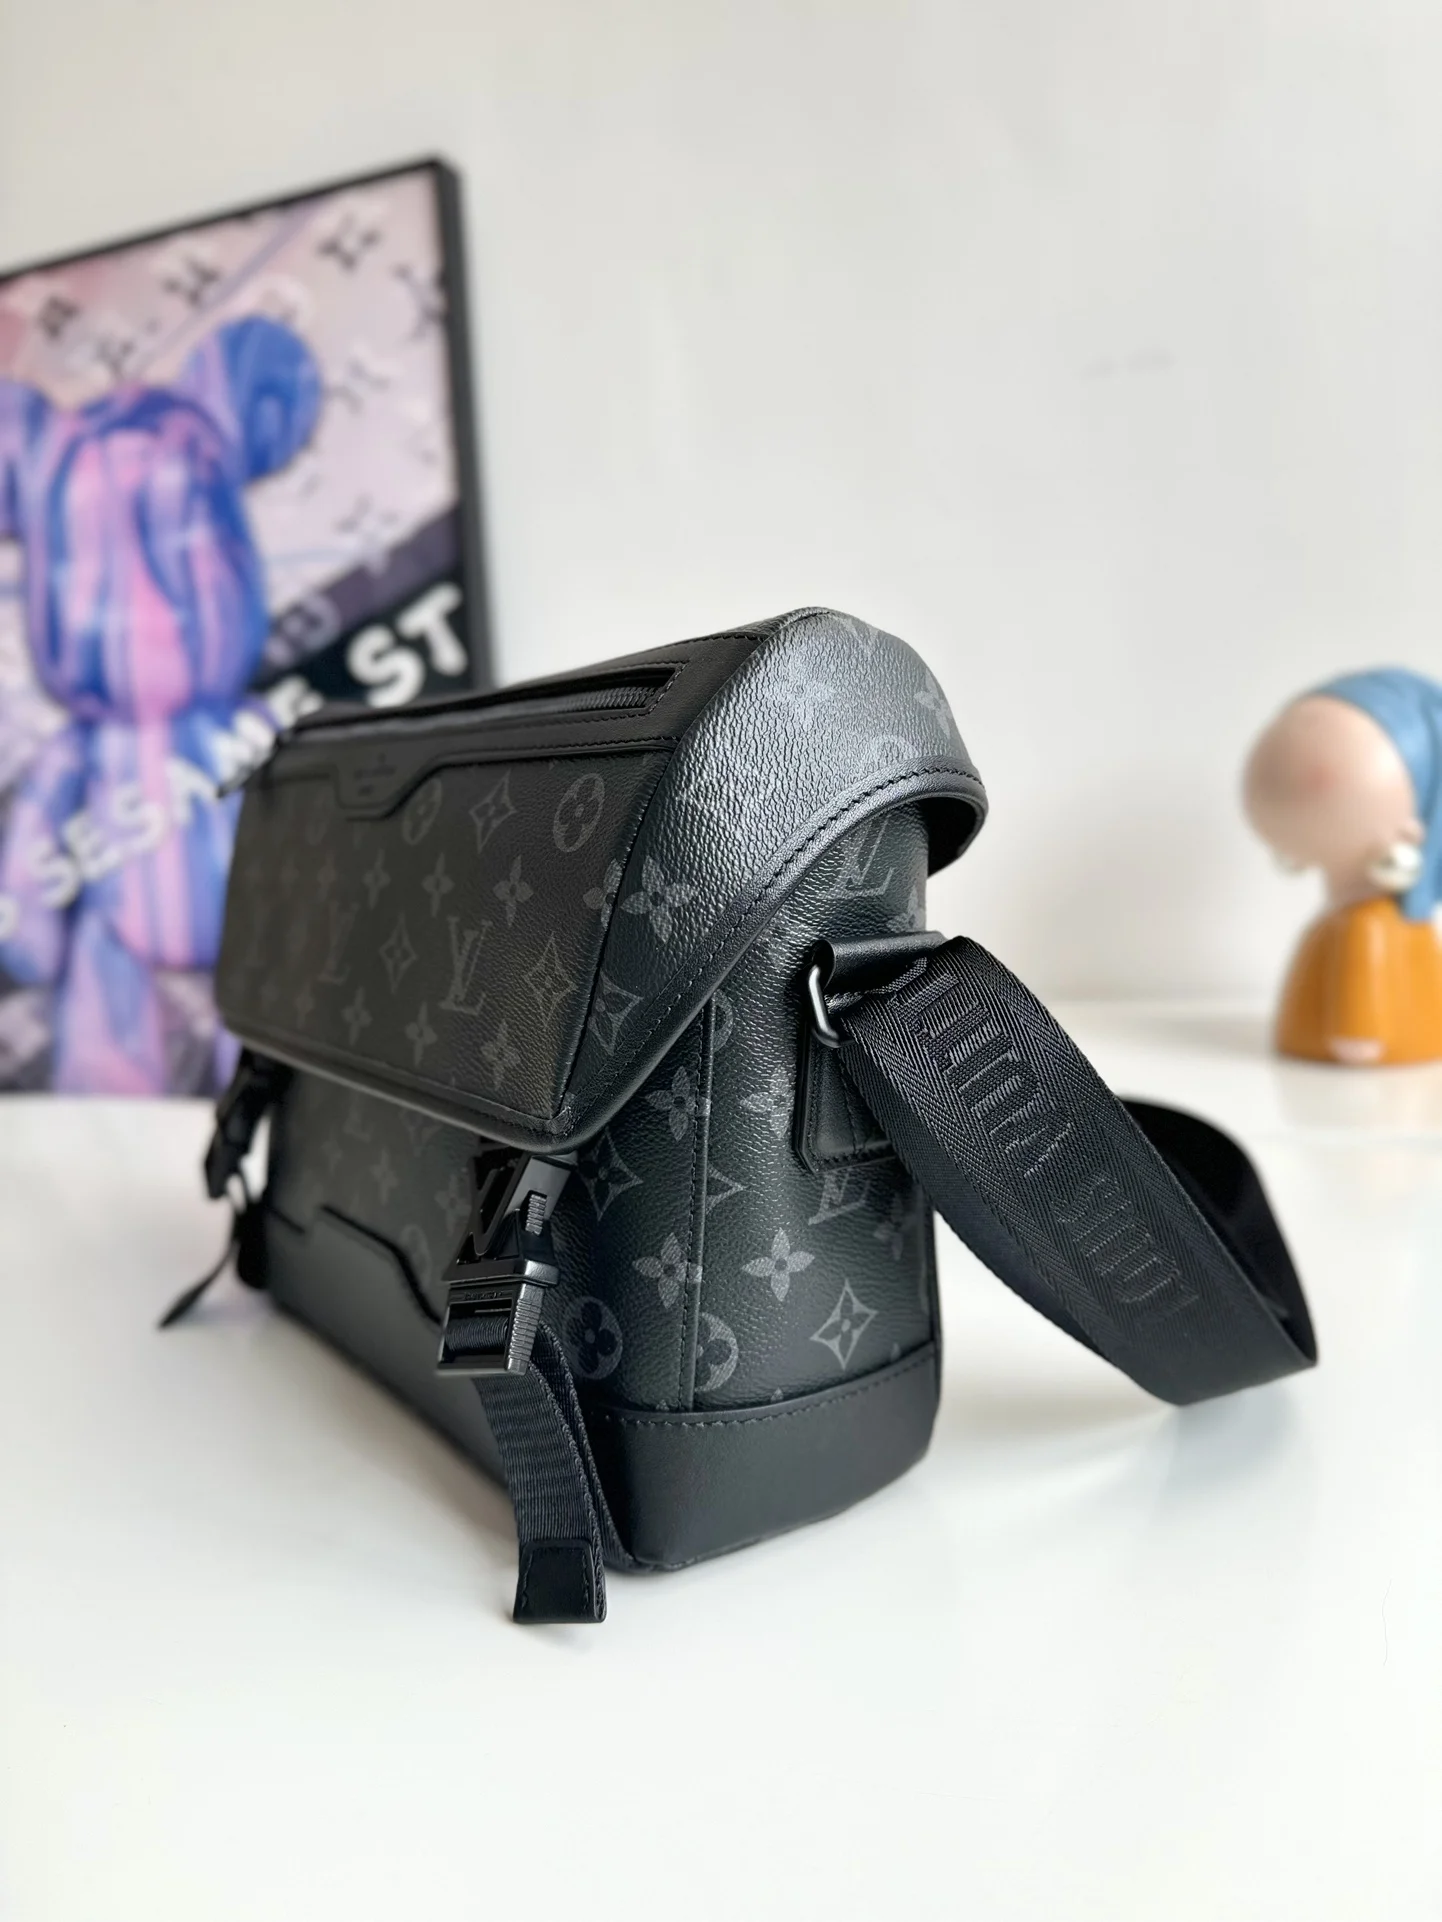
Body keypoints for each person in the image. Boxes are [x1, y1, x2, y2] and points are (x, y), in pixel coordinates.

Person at [1244, 669, 1442, 1065]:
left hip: (1344, 1078)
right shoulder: (1363, 917)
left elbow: (1359, 1036)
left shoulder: (1366, 925)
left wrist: (1358, 1038)